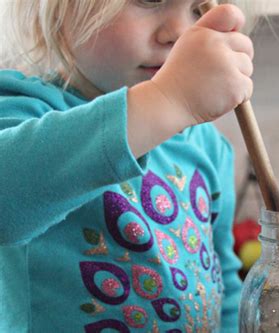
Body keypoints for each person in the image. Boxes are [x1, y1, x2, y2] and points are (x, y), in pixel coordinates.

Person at [0, 0, 255, 331]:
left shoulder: (210, 147)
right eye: (150, 1)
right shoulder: (27, 111)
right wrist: (168, 99)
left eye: (198, 8)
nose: (180, 33)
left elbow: (226, 288)